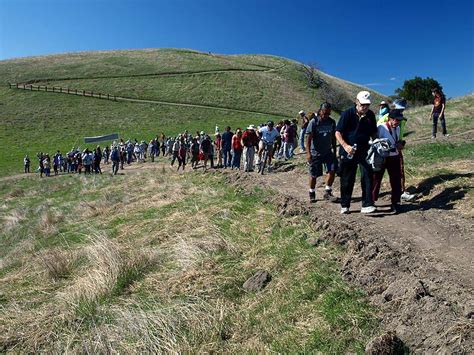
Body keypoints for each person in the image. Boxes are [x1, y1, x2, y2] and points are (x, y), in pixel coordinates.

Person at [335, 91, 378, 214]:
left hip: (364, 150)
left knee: (368, 175)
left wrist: (376, 142)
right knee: (347, 178)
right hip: (348, 150)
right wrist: (345, 146)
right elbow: (338, 132)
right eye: (362, 104)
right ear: (356, 102)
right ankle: (345, 204)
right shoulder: (347, 114)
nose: (365, 107)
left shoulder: (370, 115)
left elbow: (373, 132)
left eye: (367, 105)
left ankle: (367, 204)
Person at [372, 109, 405, 213]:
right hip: (382, 156)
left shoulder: (398, 128)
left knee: (396, 180)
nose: (397, 122)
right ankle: (371, 201)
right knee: (376, 179)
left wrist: (401, 144)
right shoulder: (381, 127)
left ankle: (395, 202)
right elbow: (374, 140)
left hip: (394, 156)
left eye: (399, 120)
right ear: (390, 119)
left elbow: (398, 140)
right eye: (396, 120)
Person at [306, 104, 338, 203]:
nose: (326, 116)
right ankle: (312, 193)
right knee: (314, 175)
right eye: (325, 113)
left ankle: (328, 192)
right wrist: (308, 153)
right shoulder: (314, 122)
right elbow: (308, 139)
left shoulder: (332, 122)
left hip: (328, 152)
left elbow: (333, 137)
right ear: (320, 111)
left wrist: (334, 149)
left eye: (328, 113)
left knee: (332, 170)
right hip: (316, 153)